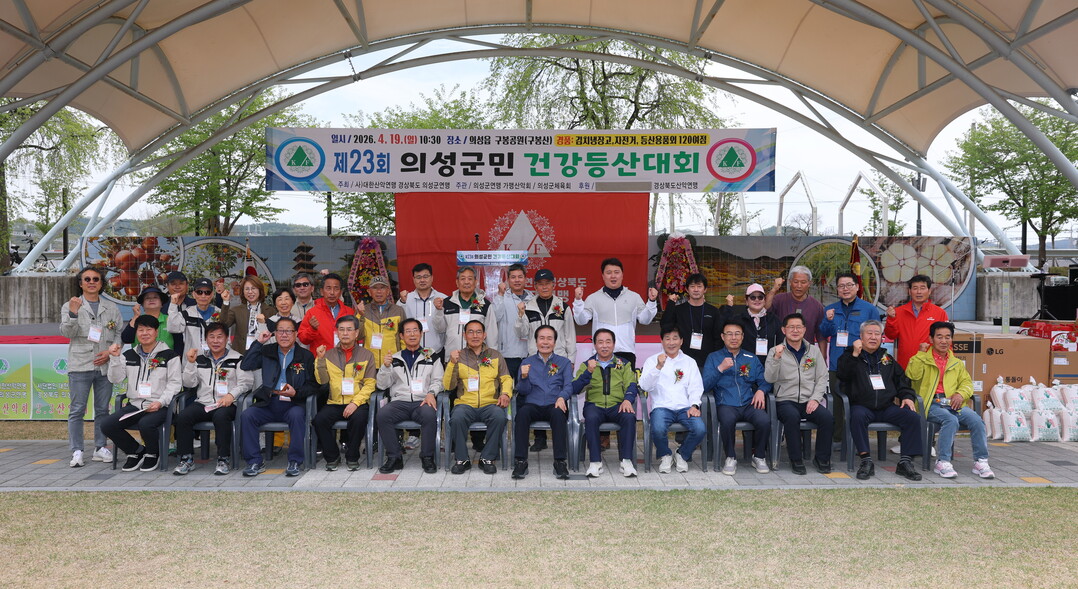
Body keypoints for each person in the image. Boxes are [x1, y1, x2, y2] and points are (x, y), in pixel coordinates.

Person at [905, 321, 994, 479]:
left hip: (953, 403)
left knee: (977, 420)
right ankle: (943, 462)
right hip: (931, 404)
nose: (944, 341)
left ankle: (981, 461)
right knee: (950, 420)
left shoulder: (956, 363)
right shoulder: (922, 359)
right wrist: (920, 354)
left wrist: (960, 394)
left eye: (948, 337)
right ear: (931, 339)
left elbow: (967, 383)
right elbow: (912, 375)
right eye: (939, 337)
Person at [836, 320, 923, 481]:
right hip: (862, 406)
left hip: (886, 407)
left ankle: (905, 462)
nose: (873, 337)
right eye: (869, 333)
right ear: (861, 336)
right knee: (857, 416)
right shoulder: (850, 356)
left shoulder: (887, 359)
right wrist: (855, 354)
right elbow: (842, 375)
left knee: (912, 417)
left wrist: (907, 397)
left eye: (877, 334)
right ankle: (866, 460)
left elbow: (902, 381)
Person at [239, 317, 320, 477]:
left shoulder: (305, 356)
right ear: (275, 334)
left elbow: (313, 385)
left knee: (297, 415)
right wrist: (259, 343)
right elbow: (246, 364)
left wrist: (296, 393)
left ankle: (295, 461)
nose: (284, 335)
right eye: (280, 331)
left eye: (288, 331)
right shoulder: (267, 351)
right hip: (269, 402)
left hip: (293, 403)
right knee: (247, 415)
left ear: (295, 334)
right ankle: (254, 461)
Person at [101, 315, 182, 472]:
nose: (145, 333)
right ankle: (136, 451)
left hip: (160, 406)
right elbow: (115, 379)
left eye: (149, 329)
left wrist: (161, 402)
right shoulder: (129, 355)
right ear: (136, 333)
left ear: (156, 332)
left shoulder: (169, 355)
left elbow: (175, 384)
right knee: (107, 425)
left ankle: (153, 453)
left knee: (146, 424)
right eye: (141, 330)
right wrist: (115, 359)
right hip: (135, 406)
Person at [60, 266, 123, 467]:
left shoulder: (111, 307)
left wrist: (109, 352)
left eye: (95, 279)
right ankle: (77, 450)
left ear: (101, 283)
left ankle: (100, 447)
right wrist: (73, 313)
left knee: (103, 409)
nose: (91, 282)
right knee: (77, 409)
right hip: (80, 365)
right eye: (87, 279)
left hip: (104, 366)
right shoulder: (70, 305)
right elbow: (67, 333)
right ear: (81, 283)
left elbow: (119, 334)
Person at [173, 322, 252, 475]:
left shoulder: (237, 359)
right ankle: (186, 458)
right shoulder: (200, 359)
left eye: (219, 337)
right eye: (212, 337)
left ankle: (223, 459)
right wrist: (190, 364)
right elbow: (189, 383)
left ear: (227, 339)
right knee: (183, 417)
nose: (216, 341)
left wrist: (231, 395)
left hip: (226, 404)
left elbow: (246, 383)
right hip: (204, 402)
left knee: (221, 417)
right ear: (206, 340)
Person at [763, 313, 832, 475]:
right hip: (785, 400)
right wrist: (776, 358)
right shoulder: (775, 351)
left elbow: (822, 377)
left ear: (805, 330)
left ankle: (822, 458)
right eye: (791, 327)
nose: (795, 330)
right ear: (783, 330)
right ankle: (796, 459)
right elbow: (769, 378)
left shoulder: (813, 351)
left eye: (799, 327)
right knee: (792, 417)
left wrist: (815, 399)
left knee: (827, 418)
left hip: (809, 400)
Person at [443, 320, 513, 475]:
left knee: (499, 417)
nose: (475, 336)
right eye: (471, 332)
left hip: (490, 403)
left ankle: (487, 458)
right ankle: (462, 459)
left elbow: (506, 378)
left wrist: (505, 393)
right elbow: (448, 386)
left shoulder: (495, 355)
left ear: (484, 335)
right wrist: (451, 364)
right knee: (457, 418)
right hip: (465, 404)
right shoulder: (458, 356)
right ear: (464, 335)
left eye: (478, 332)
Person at [819, 272, 881, 445]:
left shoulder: (869, 309)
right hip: (837, 364)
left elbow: (876, 336)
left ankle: (857, 439)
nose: (845, 289)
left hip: (861, 363)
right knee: (837, 404)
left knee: (859, 401)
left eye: (849, 285)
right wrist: (828, 320)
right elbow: (823, 333)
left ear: (857, 287)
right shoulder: (830, 309)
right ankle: (837, 439)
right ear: (837, 289)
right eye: (841, 286)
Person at [703, 319, 772, 475]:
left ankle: (759, 456)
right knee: (727, 421)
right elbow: (704, 385)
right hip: (726, 403)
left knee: (764, 420)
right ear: (722, 337)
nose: (733, 338)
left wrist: (761, 390)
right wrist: (720, 368)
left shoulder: (751, 358)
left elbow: (765, 380)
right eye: (729, 334)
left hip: (749, 403)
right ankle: (730, 457)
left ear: (742, 337)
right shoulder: (714, 358)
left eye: (737, 334)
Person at [375, 318, 443, 474]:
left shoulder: (431, 356)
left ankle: (427, 457)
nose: (412, 334)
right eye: (408, 331)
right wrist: (385, 367)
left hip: (422, 401)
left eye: (415, 330)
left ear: (420, 333)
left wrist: (431, 393)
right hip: (400, 402)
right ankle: (394, 457)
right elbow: (382, 385)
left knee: (429, 415)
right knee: (383, 415)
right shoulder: (395, 358)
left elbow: (439, 380)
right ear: (401, 336)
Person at [312, 315, 376, 471]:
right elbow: (322, 381)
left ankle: (352, 456)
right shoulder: (328, 354)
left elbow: (370, 384)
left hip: (357, 402)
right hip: (334, 402)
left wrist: (355, 403)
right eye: (341, 330)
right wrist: (320, 361)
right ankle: (332, 457)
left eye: (349, 330)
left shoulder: (366, 355)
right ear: (337, 333)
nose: (345, 333)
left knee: (359, 418)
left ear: (356, 333)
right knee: (319, 420)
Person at [572, 328, 639, 477]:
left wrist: (627, 400)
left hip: (617, 405)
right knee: (591, 418)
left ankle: (626, 461)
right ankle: (595, 462)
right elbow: (575, 388)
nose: (604, 346)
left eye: (608, 342)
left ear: (614, 344)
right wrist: (588, 372)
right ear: (594, 345)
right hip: (594, 405)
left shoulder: (624, 364)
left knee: (628, 417)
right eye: (600, 342)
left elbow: (632, 384)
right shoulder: (587, 365)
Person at [639, 326, 705, 473]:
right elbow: (644, 386)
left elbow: (696, 386)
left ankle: (682, 454)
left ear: (681, 341)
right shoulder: (652, 361)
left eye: (675, 338)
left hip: (685, 407)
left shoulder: (689, 362)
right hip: (662, 407)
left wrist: (694, 405)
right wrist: (658, 367)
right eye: (667, 338)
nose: (671, 342)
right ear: (661, 341)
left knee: (700, 429)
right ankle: (665, 455)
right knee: (657, 428)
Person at [511, 325, 573, 480]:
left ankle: (559, 461)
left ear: (555, 342)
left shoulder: (564, 362)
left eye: (549, 338)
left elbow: (569, 385)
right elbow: (523, 391)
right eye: (542, 338)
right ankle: (520, 461)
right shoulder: (527, 362)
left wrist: (562, 397)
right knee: (522, 414)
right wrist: (524, 377)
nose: (545, 342)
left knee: (559, 415)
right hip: (533, 403)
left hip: (554, 402)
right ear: (536, 341)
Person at [572, 257, 658, 369]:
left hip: (626, 351)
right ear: (603, 276)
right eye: (608, 273)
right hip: (602, 352)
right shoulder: (593, 298)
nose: (613, 276)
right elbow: (581, 321)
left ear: (622, 275)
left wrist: (651, 302)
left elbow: (645, 320)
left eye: (616, 272)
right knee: (602, 385)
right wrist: (578, 301)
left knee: (627, 386)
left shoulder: (634, 297)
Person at [884, 274, 950, 369]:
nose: (919, 292)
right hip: (906, 364)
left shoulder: (940, 313)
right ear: (910, 291)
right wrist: (891, 319)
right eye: (915, 288)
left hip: (930, 365)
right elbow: (891, 335)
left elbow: (947, 341)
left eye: (922, 288)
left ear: (929, 291)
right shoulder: (899, 312)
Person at [661, 272, 724, 369]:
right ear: (687, 289)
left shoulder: (713, 311)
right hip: (682, 360)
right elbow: (665, 325)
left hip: (707, 361)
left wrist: (716, 359)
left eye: (699, 286)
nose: (696, 290)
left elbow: (718, 338)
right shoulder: (678, 310)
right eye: (692, 286)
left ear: (705, 289)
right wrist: (671, 304)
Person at [432, 266, 499, 358]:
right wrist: (438, 311)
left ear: (476, 282)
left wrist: (492, 357)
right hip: (453, 357)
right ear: (457, 282)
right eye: (463, 279)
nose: (466, 282)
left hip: (477, 358)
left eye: (470, 279)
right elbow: (440, 329)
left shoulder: (485, 304)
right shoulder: (447, 303)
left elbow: (491, 334)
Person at [397, 263, 448, 360]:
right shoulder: (406, 299)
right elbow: (400, 323)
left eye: (425, 276)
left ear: (432, 278)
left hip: (436, 352)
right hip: (412, 352)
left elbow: (445, 327)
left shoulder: (443, 298)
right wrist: (402, 302)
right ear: (413, 279)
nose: (422, 280)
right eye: (418, 277)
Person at [765, 266, 825, 345]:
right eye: (796, 282)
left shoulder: (817, 306)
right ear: (790, 282)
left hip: (807, 354)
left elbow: (820, 335)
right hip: (782, 352)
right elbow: (765, 309)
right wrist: (774, 289)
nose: (799, 286)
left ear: (809, 283)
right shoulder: (779, 299)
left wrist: (822, 357)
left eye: (803, 282)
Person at [166, 277, 223, 360]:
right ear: (193, 294)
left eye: (207, 292)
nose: (203, 296)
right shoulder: (186, 313)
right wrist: (173, 305)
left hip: (214, 361)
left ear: (212, 295)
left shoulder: (220, 313)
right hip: (191, 363)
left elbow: (226, 339)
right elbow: (172, 328)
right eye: (199, 292)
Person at [355, 275, 405, 367]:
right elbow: (357, 336)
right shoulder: (363, 310)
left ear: (388, 291)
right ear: (369, 292)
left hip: (392, 361)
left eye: (382, 288)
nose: (379, 291)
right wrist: (360, 316)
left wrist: (404, 359)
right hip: (370, 363)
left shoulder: (398, 310)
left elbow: (404, 337)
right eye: (375, 288)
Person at [298, 272, 354, 353]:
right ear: (321, 291)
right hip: (322, 361)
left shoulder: (349, 312)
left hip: (345, 360)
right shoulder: (312, 313)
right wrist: (312, 329)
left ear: (341, 292)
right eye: (328, 288)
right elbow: (303, 339)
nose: (332, 292)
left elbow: (356, 338)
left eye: (336, 288)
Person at [220, 275, 275, 354]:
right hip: (241, 353)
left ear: (260, 290)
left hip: (263, 353)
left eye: (253, 288)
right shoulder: (236, 310)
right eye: (247, 289)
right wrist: (225, 302)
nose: (250, 292)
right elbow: (223, 324)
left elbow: (274, 334)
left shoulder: (270, 311)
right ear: (243, 292)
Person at [731, 283, 780, 366]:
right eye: (753, 297)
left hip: (768, 366)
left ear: (764, 300)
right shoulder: (737, 320)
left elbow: (780, 342)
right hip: (743, 366)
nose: (757, 300)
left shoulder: (774, 319)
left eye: (760, 297)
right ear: (746, 301)